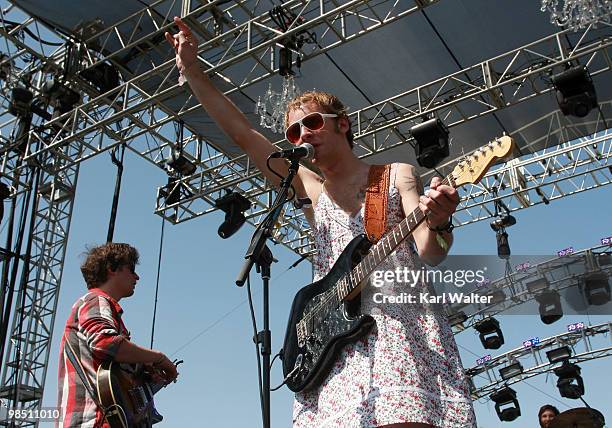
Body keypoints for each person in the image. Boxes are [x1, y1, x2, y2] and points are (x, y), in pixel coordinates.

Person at [166, 16, 475, 427]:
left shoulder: (394, 174)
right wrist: (192, 70)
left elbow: (429, 252)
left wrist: (439, 222)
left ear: (342, 124)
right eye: (293, 132)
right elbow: (241, 133)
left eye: (312, 124)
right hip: (334, 337)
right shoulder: (310, 188)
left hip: (400, 326)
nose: (302, 135)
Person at [57, 243, 178, 427]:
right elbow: (105, 344)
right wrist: (159, 358)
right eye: (131, 269)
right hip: (94, 421)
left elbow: (110, 370)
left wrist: (143, 374)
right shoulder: (96, 300)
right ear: (112, 268)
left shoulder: (103, 307)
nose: (137, 277)